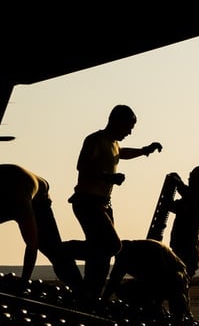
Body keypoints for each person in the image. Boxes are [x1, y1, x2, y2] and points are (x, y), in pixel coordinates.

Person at [62, 104, 163, 300]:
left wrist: (144, 151)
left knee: (101, 254)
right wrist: (108, 178)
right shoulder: (95, 140)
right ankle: (63, 250)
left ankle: (92, 294)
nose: (130, 132)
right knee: (111, 246)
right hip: (87, 202)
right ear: (116, 122)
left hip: (104, 204)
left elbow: (120, 153)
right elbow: (82, 166)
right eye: (128, 127)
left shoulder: (113, 144)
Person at [101, 238, 192, 323]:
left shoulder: (151, 250)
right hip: (157, 280)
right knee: (124, 291)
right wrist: (103, 300)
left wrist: (156, 304)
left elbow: (161, 278)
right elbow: (114, 280)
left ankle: (178, 320)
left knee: (177, 306)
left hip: (175, 277)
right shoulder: (122, 255)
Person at [166, 165, 199, 278]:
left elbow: (176, 206)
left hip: (186, 245)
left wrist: (177, 184)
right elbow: (189, 194)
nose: (189, 180)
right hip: (191, 245)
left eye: (192, 177)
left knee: (178, 279)